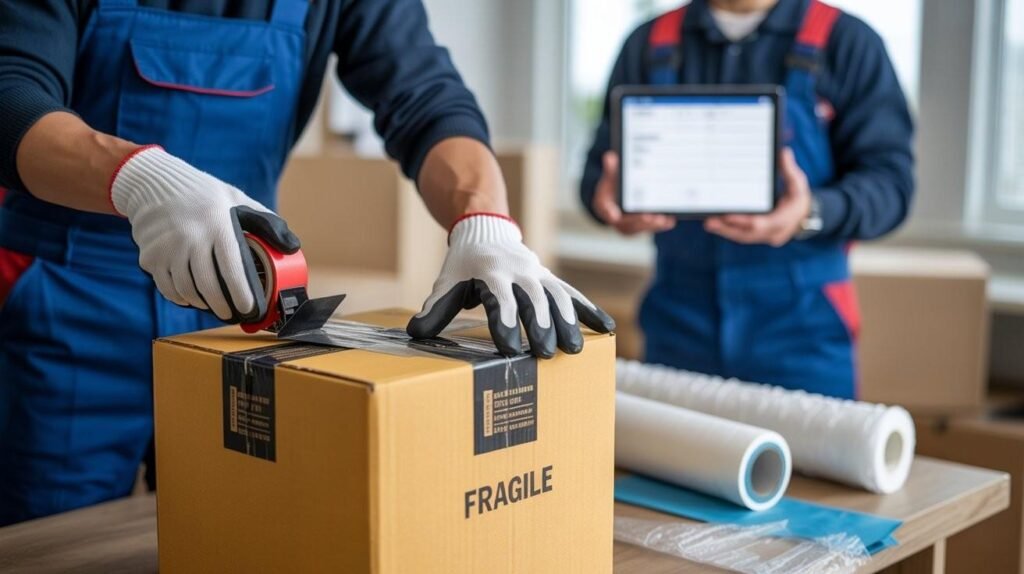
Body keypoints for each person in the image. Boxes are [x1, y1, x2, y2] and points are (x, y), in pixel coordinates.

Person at [0, 0, 614, 526]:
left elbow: (426, 96)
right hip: (66, 302)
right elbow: (11, 88)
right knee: (55, 537)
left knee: (234, 525)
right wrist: (138, 178)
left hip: (241, 305)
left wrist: (485, 222)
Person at [581, 0, 914, 398]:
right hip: (679, 319)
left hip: (803, 326)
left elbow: (891, 185)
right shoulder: (648, 43)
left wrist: (809, 212)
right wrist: (609, 201)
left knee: (811, 462)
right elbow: (594, 178)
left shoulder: (847, 42)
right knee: (673, 457)